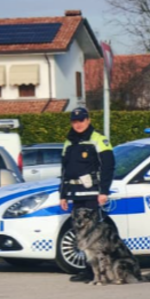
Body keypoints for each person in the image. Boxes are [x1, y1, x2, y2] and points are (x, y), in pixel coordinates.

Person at [59, 107, 115, 282]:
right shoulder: (69, 142)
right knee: (80, 234)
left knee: (93, 234)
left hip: (92, 193)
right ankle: (87, 269)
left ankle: (97, 271)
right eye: (75, 121)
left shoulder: (98, 139)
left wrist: (104, 191)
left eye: (81, 120)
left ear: (88, 120)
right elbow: (64, 170)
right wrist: (62, 194)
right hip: (75, 194)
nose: (78, 124)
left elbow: (108, 167)